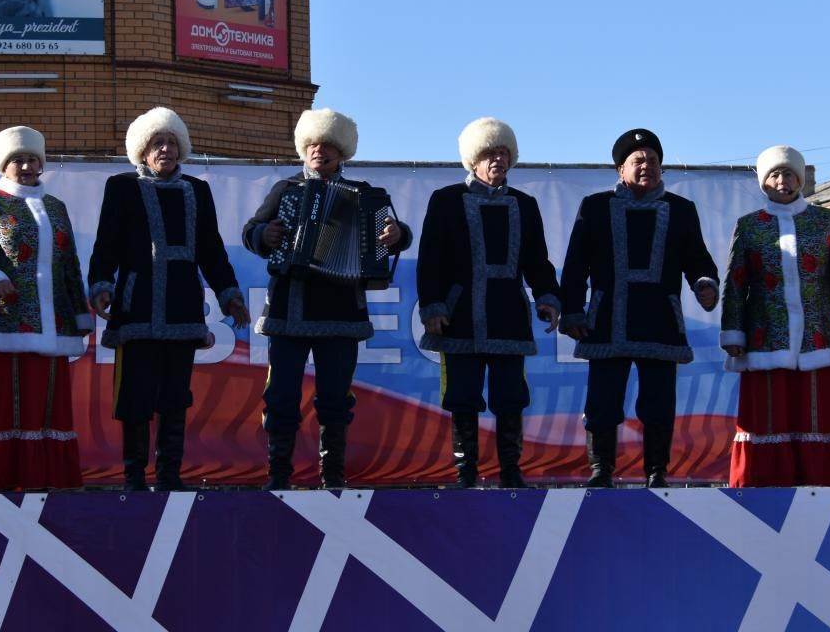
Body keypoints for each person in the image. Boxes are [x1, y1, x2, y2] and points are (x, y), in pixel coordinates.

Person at [242, 108, 412, 490]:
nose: (319, 151)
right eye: (313, 145)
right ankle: (278, 476)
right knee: (281, 396)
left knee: (336, 399)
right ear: (304, 149)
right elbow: (251, 231)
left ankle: (332, 476)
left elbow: (397, 233)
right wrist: (263, 236)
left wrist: (398, 235)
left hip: (342, 315)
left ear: (342, 152)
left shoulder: (366, 194)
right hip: (290, 310)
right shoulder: (286, 189)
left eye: (328, 145)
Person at [88, 108, 250, 492]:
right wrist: (101, 285)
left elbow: (211, 251)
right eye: (158, 143)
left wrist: (229, 295)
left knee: (175, 398)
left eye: (172, 143)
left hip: (182, 306)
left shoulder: (197, 190)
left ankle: (169, 477)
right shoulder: (122, 187)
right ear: (143, 151)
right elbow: (106, 243)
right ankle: (133, 478)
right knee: (135, 396)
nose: (166, 149)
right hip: (137, 305)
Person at [559, 128, 719, 488]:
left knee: (659, 404)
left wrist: (705, 284)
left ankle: (656, 471)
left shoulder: (681, 210)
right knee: (602, 402)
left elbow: (698, 259)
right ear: (621, 169)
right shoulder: (595, 207)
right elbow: (576, 265)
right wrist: (572, 311)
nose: (646, 165)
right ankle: (601, 470)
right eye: (638, 160)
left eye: (653, 160)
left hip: (660, 320)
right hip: (606, 321)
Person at [0, 126, 91, 490]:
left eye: (32, 160)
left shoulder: (55, 207)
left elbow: (69, 263)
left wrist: (79, 312)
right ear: (3, 165)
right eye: (18, 160)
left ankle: (41, 484)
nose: (26, 166)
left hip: (50, 324)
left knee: (42, 407)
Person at [416, 117, 561, 488]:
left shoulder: (524, 204)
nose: (498, 159)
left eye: (503, 153)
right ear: (473, 160)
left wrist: (547, 297)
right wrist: (433, 306)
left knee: (511, 397)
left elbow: (537, 261)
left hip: (509, 315)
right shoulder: (446, 200)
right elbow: (430, 260)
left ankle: (511, 472)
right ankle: (466, 473)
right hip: (459, 317)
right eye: (489, 153)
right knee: (462, 397)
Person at [720, 146, 830, 486]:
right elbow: (736, 283)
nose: (782, 181)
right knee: (771, 414)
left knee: (820, 412)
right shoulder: (749, 226)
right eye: (775, 175)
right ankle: (766, 485)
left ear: (800, 180)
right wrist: (733, 331)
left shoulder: (825, 220)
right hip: (766, 337)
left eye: (789, 174)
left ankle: (826, 484)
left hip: (822, 334)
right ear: (764, 182)